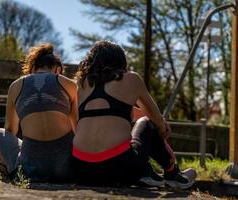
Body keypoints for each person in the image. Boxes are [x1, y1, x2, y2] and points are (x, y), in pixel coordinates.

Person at [72, 40, 196, 189]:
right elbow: (155, 117)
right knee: (146, 122)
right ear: (121, 61)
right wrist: (162, 131)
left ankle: (145, 171)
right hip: (119, 165)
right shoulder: (131, 78)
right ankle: (172, 173)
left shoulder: (82, 84)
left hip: (80, 168)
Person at [0, 43, 77, 182]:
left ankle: (2, 164)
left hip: (29, 168)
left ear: (32, 68)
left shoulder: (15, 86)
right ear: (58, 70)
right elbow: (77, 129)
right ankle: (2, 164)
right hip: (66, 169)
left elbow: (10, 131)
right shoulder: (70, 85)